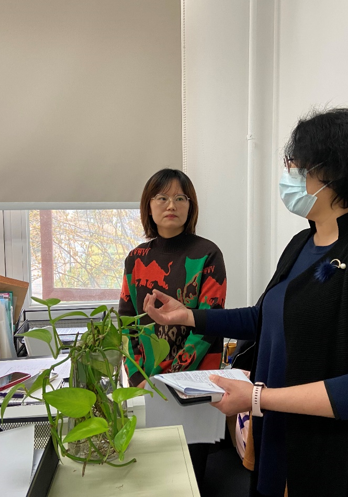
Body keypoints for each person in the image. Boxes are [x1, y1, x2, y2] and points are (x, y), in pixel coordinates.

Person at [143, 108, 348, 496]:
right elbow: (265, 318)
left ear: (336, 172)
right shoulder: (302, 243)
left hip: (341, 458)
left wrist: (257, 397)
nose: (289, 173)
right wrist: (189, 316)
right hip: (280, 435)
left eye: (298, 164)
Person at [118, 168, 227, 489]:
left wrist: (170, 377)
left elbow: (209, 323)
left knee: (191, 476)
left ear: (190, 206)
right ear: (148, 206)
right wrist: (138, 377)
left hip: (194, 383)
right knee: (153, 475)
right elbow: (126, 322)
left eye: (181, 198)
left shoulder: (207, 254)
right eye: (162, 197)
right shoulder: (136, 258)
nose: (171, 205)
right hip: (146, 383)